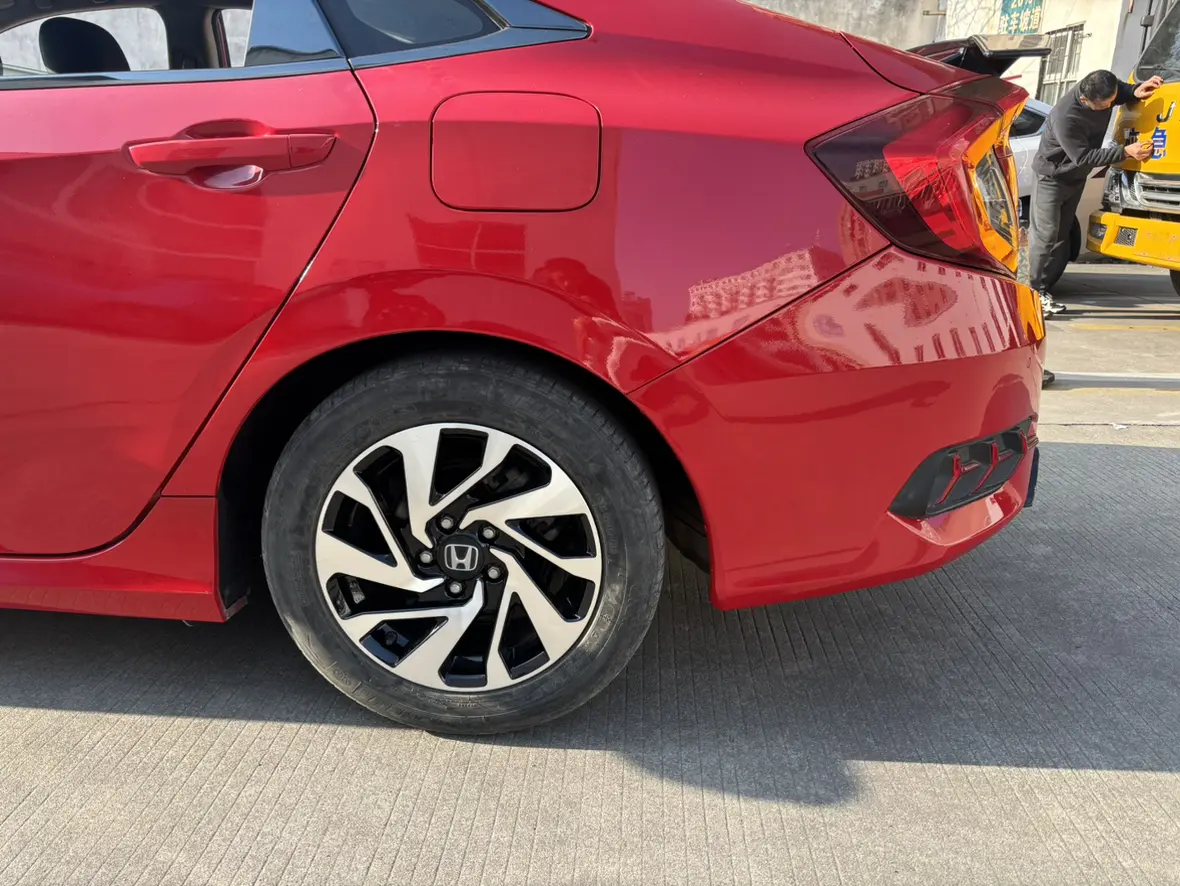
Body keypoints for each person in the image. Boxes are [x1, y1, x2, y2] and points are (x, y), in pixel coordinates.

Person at [1028, 69, 1162, 387]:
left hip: (1074, 179)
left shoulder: (1104, 88)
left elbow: (1120, 90)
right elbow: (1083, 156)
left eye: (1112, 101)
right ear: (1087, 100)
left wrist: (1135, 90)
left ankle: (1045, 288)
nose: (1111, 106)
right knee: (1045, 236)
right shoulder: (1067, 116)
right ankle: (1033, 292)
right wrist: (1125, 152)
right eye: (1106, 105)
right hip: (1052, 178)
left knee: (1061, 235)